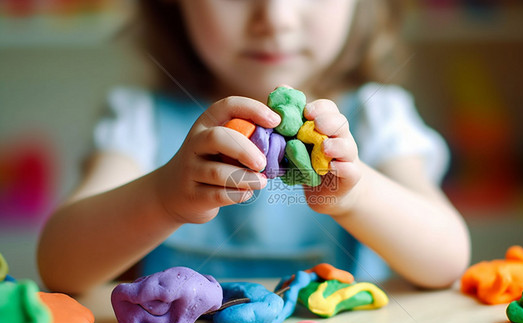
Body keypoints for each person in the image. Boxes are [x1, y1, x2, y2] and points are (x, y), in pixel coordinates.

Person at [37, 0, 470, 295]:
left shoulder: (380, 117)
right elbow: (60, 265)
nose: (275, 17)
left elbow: (448, 259)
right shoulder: (141, 120)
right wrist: (163, 198)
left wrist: (356, 196)